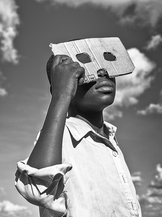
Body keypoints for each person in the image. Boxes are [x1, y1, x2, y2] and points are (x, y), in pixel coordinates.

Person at [14, 53, 142, 217]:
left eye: (105, 67)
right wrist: (61, 96)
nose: (102, 73)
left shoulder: (111, 140)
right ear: (62, 85)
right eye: (86, 69)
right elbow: (37, 190)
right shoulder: (61, 135)